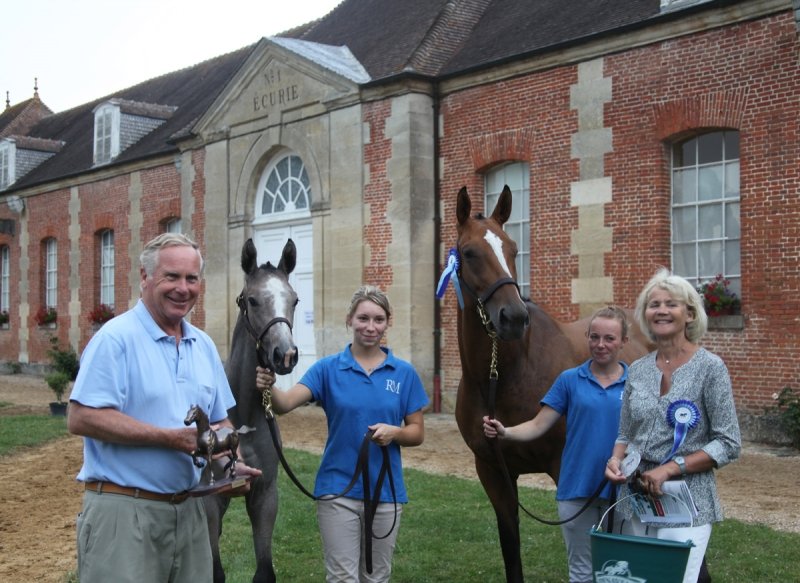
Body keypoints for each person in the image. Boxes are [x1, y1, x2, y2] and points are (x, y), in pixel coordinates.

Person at [67, 233, 261, 583]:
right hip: (124, 514)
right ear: (145, 277)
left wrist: (229, 465)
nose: (183, 288)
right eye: (171, 277)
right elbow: (81, 417)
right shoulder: (115, 339)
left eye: (191, 278)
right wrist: (168, 438)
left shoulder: (203, 345)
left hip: (190, 513)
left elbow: (220, 422)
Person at [256, 285, 428, 583]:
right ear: (349, 320)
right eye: (363, 318)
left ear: (388, 322)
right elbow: (284, 404)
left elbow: (417, 433)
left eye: (378, 319)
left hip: (385, 492)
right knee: (342, 577)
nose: (370, 327)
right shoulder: (327, 369)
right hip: (337, 490)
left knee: (376, 577)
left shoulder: (404, 373)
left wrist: (395, 432)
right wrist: (269, 385)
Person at [604, 268, 741, 583]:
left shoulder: (711, 368)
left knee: (675, 578)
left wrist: (670, 468)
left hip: (688, 500)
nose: (661, 310)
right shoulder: (638, 370)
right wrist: (615, 460)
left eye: (671, 304)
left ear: (689, 314)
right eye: (654, 304)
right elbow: (626, 432)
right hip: (637, 497)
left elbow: (728, 442)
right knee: (639, 577)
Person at [483, 306, 631, 583]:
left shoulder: (636, 382)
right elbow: (538, 425)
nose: (600, 344)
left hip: (623, 489)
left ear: (623, 341)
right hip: (576, 488)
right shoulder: (569, 380)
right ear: (587, 337)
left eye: (609, 338)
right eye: (594, 337)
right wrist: (506, 432)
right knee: (581, 572)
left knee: (621, 573)